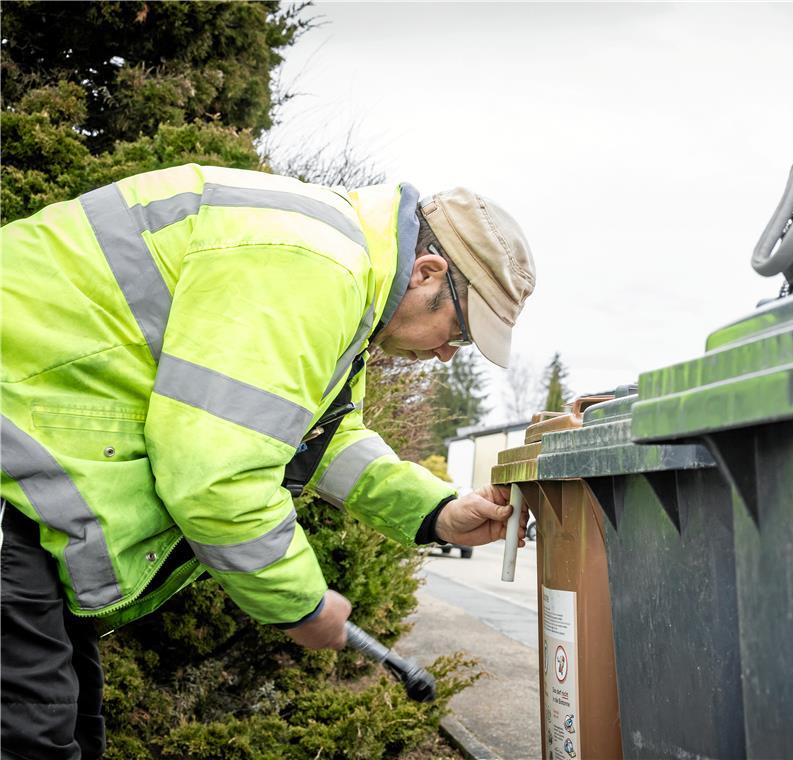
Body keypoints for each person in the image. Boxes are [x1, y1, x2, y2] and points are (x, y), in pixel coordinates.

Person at [0, 164, 537, 758]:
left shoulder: (336, 269)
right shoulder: (310, 260)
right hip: (13, 472)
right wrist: (300, 605)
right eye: (458, 332)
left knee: (66, 729)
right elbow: (217, 471)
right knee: (32, 740)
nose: (443, 356)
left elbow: (321, 437)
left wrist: (435, 510)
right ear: (427, 272)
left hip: (27, 480)